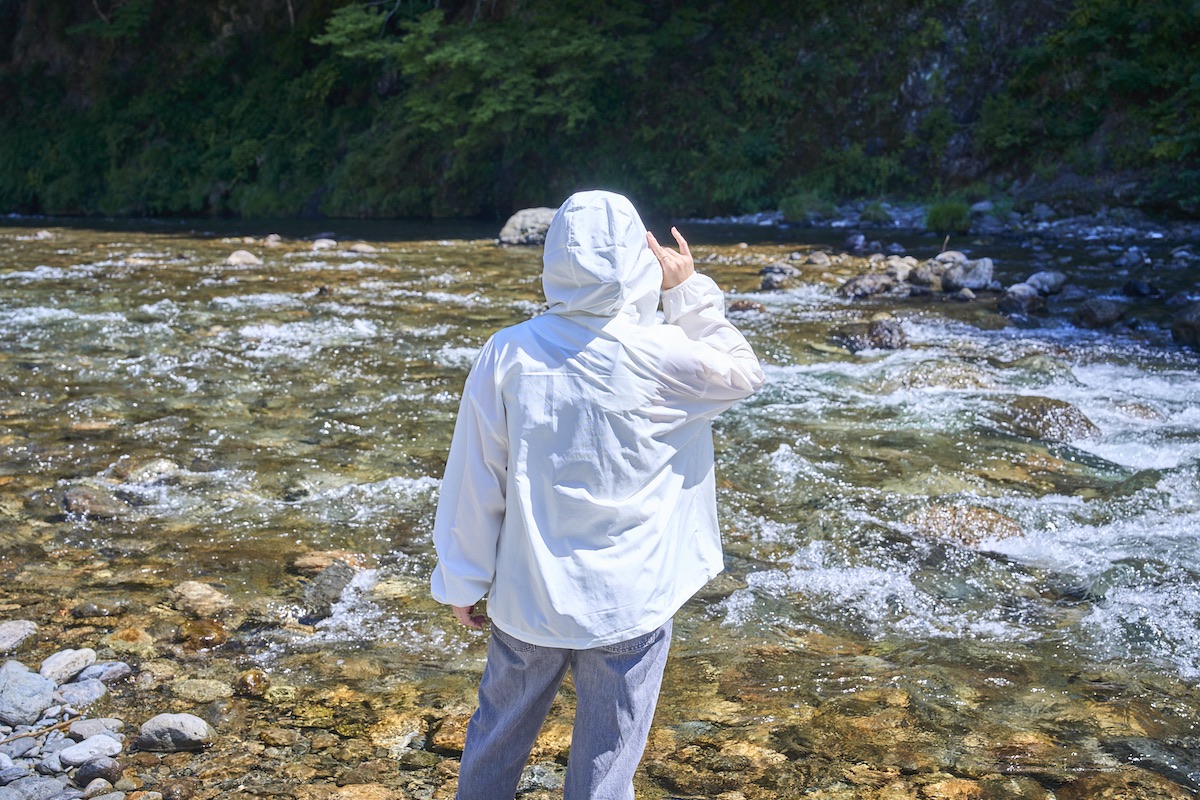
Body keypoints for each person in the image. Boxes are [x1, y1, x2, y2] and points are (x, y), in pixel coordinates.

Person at [430, 189, 764, 799]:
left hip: (528, 596)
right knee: (606, 766)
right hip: (628, 604)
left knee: (496, 738)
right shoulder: (665, 353)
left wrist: (461, 580)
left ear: (554, 258)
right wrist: (687, 292)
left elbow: (476, 480)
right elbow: (743, 372)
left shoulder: (508, 351)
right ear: (641, 259)